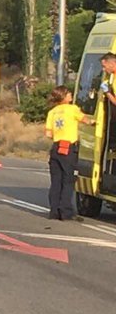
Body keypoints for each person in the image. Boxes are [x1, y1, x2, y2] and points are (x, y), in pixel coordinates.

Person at [44, 85, 91, 220]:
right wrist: (95, 122)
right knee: (68, 180)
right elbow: (86, 120)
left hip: (56, 148)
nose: (71, 95)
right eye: (68, 93)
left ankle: (54, 211)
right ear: (63, 96)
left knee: (56, 181)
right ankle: (65, 212)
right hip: (68, 148)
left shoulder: (52, 112)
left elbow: (48, 134)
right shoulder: (72, 109)